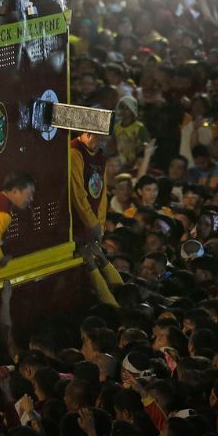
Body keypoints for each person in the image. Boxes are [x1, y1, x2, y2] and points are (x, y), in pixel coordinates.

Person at [70, 132, 123, 307]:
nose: (103, 144)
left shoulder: (100, 156)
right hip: (75, 226)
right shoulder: (74, 152)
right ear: (88, 133)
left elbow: (102, 195)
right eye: (102, 138)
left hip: (91, 229)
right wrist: (92, 223)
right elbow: (77, 193)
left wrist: (99, 224)